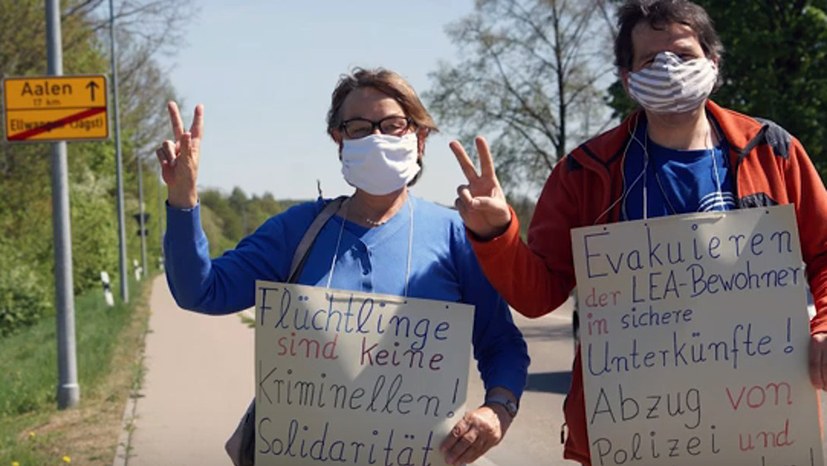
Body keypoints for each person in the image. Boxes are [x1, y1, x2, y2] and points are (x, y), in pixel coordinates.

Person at [449, 0, 827, 464]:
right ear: (628, 79)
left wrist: (824, 325)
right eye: (650, 60)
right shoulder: (583, 174)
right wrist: (499, 232)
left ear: (713, 62)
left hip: (757, 430)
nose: (669, 67)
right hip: (633, 432)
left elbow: (824, 252)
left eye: (684, 55)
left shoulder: (773, 152)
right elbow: (538, 295)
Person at [155, 67, 530, 466]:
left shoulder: (455, 236)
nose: (377, 138)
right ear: (338, 139)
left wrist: (499, 409)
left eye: (393, 125)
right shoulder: (296, 230)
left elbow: (500, 342)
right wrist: (183, 201)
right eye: (358, 128)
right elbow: (201, 291)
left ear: (419, 139)